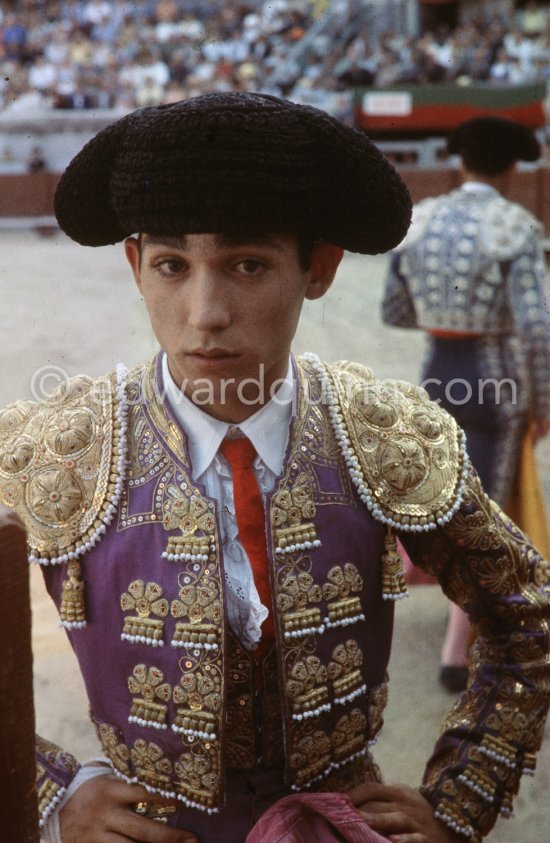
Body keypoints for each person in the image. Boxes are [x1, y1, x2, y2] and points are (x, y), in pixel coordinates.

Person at [0, 93, 549, 843]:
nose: (204, 312)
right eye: (171, 264)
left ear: (317, 268)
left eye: (247, 264)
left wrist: (459, 797)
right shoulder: (60, 443)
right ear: (135, 266)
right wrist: (53, 792)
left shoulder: (384, 430)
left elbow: (529, 618)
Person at [381, 115, 550, 693]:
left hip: (439, 376)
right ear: (510, 168)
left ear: (460, 162)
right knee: (486, 511)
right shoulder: (517, 225)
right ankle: (457, 652)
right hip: (496, 381)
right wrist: (544, 402)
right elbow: (537, 329)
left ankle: (398, 582)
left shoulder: (421, 219)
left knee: (443, 493)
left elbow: (395, 313)